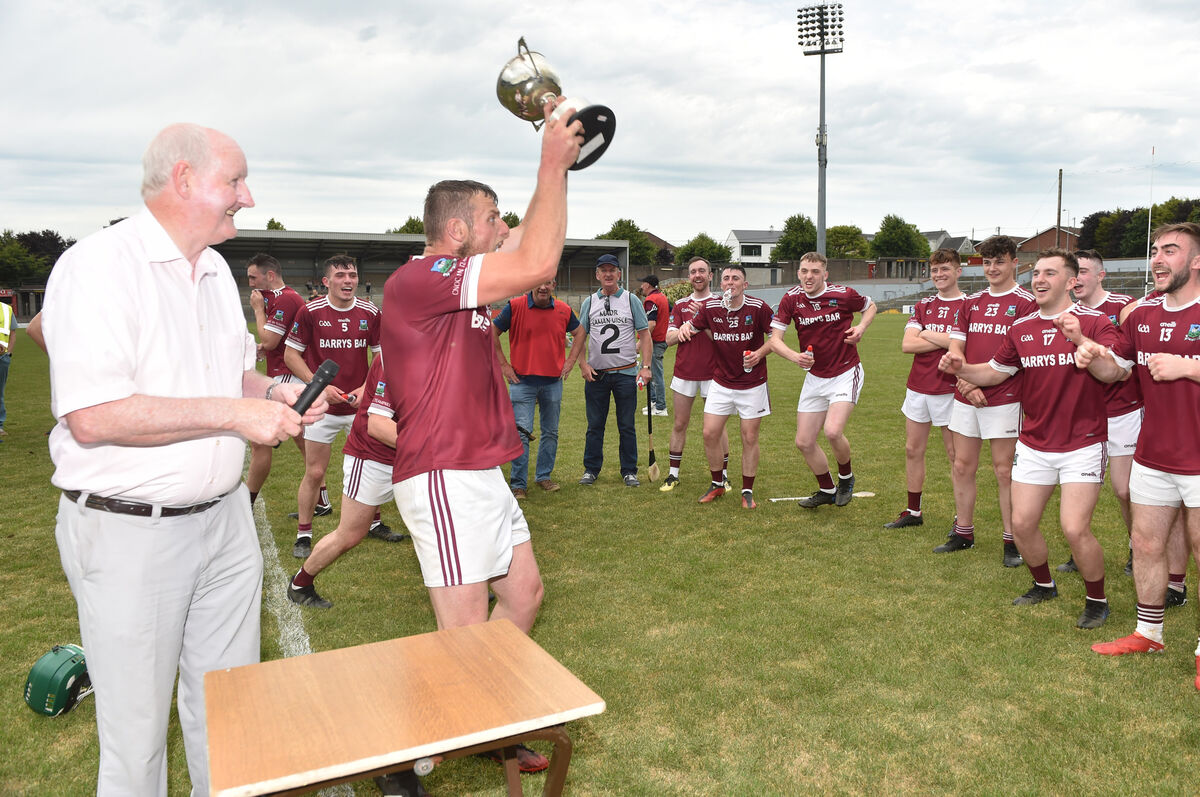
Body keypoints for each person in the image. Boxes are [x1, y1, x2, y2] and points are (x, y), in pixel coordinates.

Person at [41, 123, 326, 796]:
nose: (247, 196)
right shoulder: (97, 267)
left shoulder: (217, 277)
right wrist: (237, 413)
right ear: (185, 181)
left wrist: (275, 391)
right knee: (137, 739)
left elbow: (227, 384)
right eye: (236, 180)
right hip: (129, 530)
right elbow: (93, 414)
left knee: (231, 718)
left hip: (224, 525)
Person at [380, 98, 579, 632]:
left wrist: (559, 154)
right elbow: (535, 260)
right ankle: (464, 710)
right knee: (462, 634)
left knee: (526, 596)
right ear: (458, 231)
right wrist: (551, 164)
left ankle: (493, 703)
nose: (504, 225)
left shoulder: (456, 279)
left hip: (478, 469)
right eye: (492, 217)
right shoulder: (423, 278)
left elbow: (531, 243)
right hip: (442, 471)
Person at [939, 249, 1118, 628]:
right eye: (1036, 272)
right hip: (1034, 441)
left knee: (1073, 527)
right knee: (1021, 525)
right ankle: (1044, 584)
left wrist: (1081, 341)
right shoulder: (1021, 328)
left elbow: (1115, 373)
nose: (1038, 279)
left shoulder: (1097, 322)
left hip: (1082, 442)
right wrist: (963, 368)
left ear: (1071, 282)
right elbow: (994, 372)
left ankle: (1097, 599)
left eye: (1050, 273)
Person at [1073, 223, 1200, 675]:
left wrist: (1188, 366)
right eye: (1155, 251)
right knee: (1146, 543)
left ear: (1197, 260)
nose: (1158, 260)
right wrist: (1092, 355)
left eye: (1171, 250)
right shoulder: (1142, 314)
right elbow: (1117, 372)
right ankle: (1149, 635)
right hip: (1153, 453)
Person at [938, 235, 1036, 565]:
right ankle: (963, 531)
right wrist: (966, 381)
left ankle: (1012, 540)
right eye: (988, 262)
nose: (993, 268)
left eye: (999, 261)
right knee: (962, 465)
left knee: (1003, 470)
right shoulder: (971, 302)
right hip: (967, 394)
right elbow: (955, 348)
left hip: (1006, 397)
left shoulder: (1026, 303)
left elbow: (1022, 355)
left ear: (1014, 264)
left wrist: (983, 382)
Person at [287, 355, 408, 609]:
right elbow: (378, 423)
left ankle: (461, 585)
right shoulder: (397, 349)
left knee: (436, 522)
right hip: (373, 456)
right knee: (350, 533)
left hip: (413, 456)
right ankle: (300, 583)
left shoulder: (438, 342)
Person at [284, 254, 382, 559]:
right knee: (314, 472)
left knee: (374, 467)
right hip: (322, 408)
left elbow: (382, 358)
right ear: (326, 281)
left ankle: (375, 523)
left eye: (352, 275)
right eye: (340, 275)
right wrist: (320, 387)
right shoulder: (309, 311)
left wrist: (365, 390)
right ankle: (304, 533)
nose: (348, 280)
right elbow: (291, 355)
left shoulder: (370, 312)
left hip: (360, 406)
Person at [769, 251, 876, 508]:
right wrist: (795, 357)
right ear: (798, 273)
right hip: (815, 377)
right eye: (805, 271)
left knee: (832, 431)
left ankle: (846, 478)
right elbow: (774, 340)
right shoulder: (791, 299)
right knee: (804, 442)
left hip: (845, 371)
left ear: (825, 274)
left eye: (815, 272)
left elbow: (870, 306)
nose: (809, 276)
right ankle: (827, 489)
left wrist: (861, 327)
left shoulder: (842, 294)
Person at [676, 264, 774, 508]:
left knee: (749, 437)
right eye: (727, 278)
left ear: (745, 285)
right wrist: (684, 327)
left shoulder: (758, 307)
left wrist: (760, 353)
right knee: (710, 433)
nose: (731, 282)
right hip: (721, 380)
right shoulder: (711, 307)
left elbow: (777, 337)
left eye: (736, 279)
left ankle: (747, 491)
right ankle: (717, 484)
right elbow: (696, 326)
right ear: (720, 284)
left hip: (752, 383)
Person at [884, 248, 966, 528]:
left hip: (951, 390)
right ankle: (913, 512)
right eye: (934, 270)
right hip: (918, 387)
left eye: (945, 269)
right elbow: (908, 345)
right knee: (912, 450)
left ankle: (961, 518)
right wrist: (949, 339)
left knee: (956, 456)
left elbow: (965, 347)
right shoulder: (924, 305)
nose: (939, 275)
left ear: (958, 271)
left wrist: (928, 334)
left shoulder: (969, 305)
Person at [493, 278, 582, 498]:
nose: (543, 287)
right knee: (522, 434)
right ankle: (518, 484)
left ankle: (543, 477)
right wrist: (504, 365)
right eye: (540, 282)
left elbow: (580, 333)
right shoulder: (514, 307)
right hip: (521, 383)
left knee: (550, 432)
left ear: (554, 285)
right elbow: (491, 332)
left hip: (552, 383)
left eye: (548, 283)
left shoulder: (563, 309)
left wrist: (571, 361)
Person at [573, 253, 653, 487]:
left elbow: (645, 335)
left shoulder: (631, 300)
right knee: (595, 425)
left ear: (619, 274)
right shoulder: (589, 302)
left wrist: (646, 367)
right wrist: (582, 364)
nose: (608, 274)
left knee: (626, 424)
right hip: (596, 374)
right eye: (603, 270)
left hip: (626, 373)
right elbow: (579, 336)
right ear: (597, 275)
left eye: (612, 270)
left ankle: (629, 470)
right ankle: (591, 469)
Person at [244, 253, 309, 504]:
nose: (250, 283)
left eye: (253, 277)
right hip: (284, 376)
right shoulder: (282, 299)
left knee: (259, 441)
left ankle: (247, 502)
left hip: (286, 378)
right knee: (303, 440)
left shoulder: (285, 300)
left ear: (269, 275)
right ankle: (322, 498)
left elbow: (271, 341)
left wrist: (258, 311)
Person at [661, 256, 728, 492]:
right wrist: (680, 329)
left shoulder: (720, 303)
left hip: (715, 374)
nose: (697, 275)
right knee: (680, 423)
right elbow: (668, 340)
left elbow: (726, 341)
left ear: (710, 276)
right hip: (684, 372)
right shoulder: (680, 305)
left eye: (702, 271)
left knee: (717, 427)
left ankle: (724, 476)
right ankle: (672, 475)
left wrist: (703, 320)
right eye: (693, 272)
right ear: (689, 277)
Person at [639, 273, 671, 416]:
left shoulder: (651, 300)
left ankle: (660, 406)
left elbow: (651, 324)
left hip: (655, 342)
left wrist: (640, 342)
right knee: (649, 372)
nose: (641, 286)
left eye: (642, 283)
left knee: (655, 375)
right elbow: (671, 310)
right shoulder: (662, 297)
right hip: (660, 340)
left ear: (647, 285)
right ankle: (653, 402)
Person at [0, 295, 12, 439]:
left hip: (2, 358)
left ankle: (0, 425)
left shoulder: (6, 309)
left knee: (0, 393)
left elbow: (12, 332)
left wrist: (9, 353)